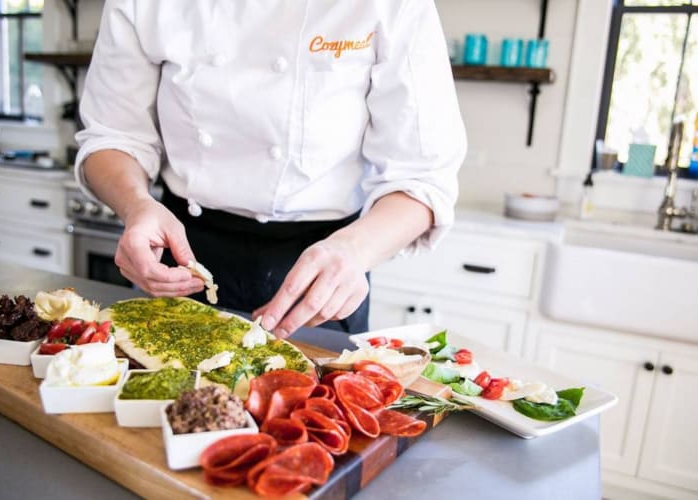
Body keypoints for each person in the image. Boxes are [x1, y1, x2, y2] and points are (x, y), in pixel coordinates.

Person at [75, 0, 466, 338]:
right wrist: (136, 206)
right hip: (183, 252)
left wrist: (354, 251)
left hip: (323, 269)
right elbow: (112, 135)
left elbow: (421, 178)